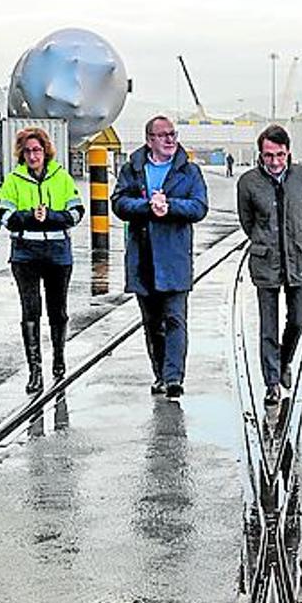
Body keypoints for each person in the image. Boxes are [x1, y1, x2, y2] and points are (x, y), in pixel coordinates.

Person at [111, 116, 208, 399]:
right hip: (143, 258)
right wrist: (147, 207)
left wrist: (171, 207)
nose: (170, 139)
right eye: (163, 135)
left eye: (173, 134)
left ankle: (174, 377)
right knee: (153, 323)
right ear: (149, 139)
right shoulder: (133, 169)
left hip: (174, 257)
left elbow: (199, 206)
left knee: (175, 319)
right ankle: (160, 373)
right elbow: (119, 202)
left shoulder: (189, 172)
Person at [237, 124, 302, 406]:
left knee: (298, 318)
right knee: (268, 327)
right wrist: (266, 241)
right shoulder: (248, 183)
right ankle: (272, 382)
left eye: (280, 155)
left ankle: (284, 361)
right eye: (268, 155)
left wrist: (297, 237)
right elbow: (247, 221)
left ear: (289, 153)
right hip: (266, 262)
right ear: (260, 154)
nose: (274, 162)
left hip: (300, 259)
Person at [0, 127, 85, 394]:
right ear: (21, 154)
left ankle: (58, 357)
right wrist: (27, 216)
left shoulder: (61, 178)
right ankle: (35, 369)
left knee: (57, 309)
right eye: (28, 151)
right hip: (25, 253)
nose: (33, 155)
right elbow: (5, 215)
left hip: (58, 252)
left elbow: (77, 212)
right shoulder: (13, 180)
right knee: (30, 310)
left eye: (37, 150)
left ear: (45, 151)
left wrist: (50, 217)